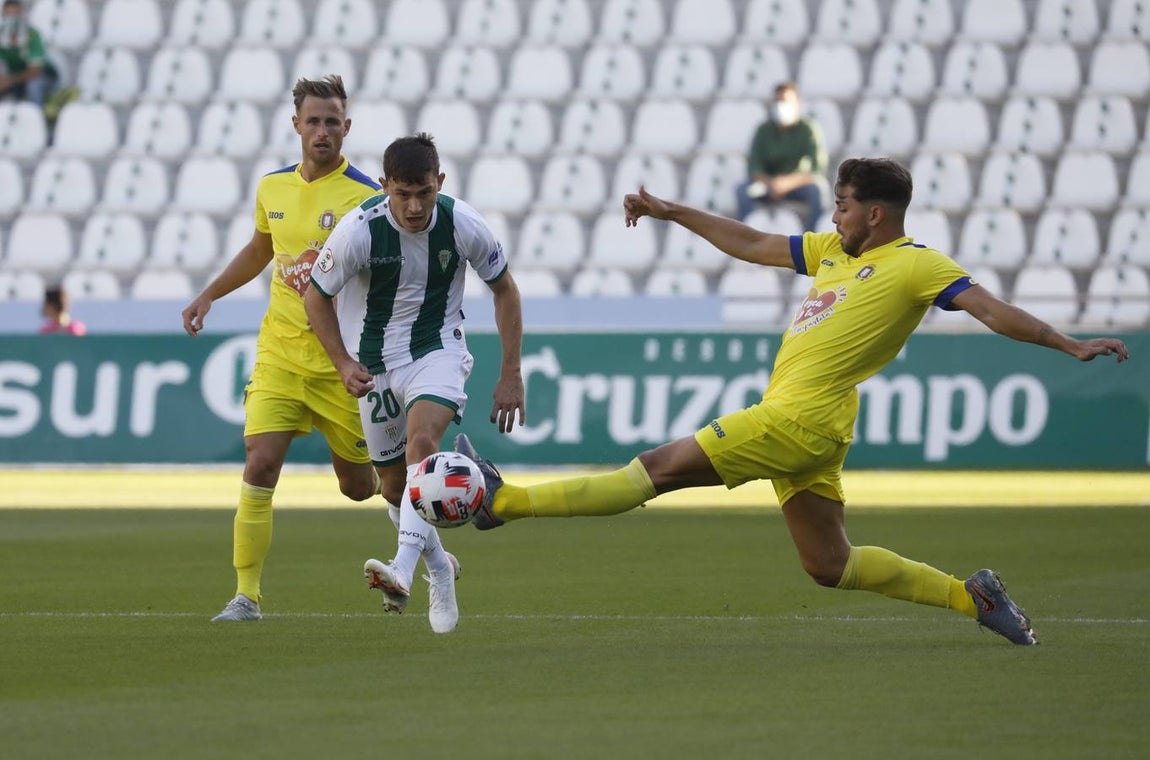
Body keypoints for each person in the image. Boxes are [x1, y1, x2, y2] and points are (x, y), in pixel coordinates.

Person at [453, 157, 1131, 647]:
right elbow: (751, 242)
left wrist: (1067, 345)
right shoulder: (836, 248)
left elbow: (990, 310)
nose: (832, 215)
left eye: (841, 203)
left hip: (796, 420)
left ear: (875, 212)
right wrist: (671, 211)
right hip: (812, 424)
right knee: (829, 565)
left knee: (655, 469)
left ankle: (501, 502)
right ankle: (972, 594)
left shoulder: (918, 264)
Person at [182, 76, 463, 632]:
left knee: (365, 487)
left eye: (333, 121)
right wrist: (209, 292)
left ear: (347, 128)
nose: (322, 131)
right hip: (281, 357)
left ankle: (432, 553)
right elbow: (262, 250)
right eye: (313, 121)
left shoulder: (368, 196)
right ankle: (246, 595)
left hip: (347, 366)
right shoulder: (272, 189)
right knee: (260, 465)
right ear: (296, 126)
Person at [305, 133, 525, 633]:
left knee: (422, 442)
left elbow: (505, 291)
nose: (413, 206)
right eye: (401, 193)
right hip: (374, 365)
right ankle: (439, 567)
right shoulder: (358, 230)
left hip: (437, 350)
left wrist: (511, 372)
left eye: (424, 192)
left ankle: (403, 572)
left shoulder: (461, 223)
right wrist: (342, 363)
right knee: (394, 488)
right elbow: (316, 297)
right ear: (384, 187)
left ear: (439, 183)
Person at [736, 82, 828, 232]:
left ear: (797, 104)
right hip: (766, 186)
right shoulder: (763, 130)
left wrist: (787, 183)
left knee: (817, 190)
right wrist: (771, 183)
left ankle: (813, 238)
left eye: (785, 101)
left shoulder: (808, 129)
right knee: (743, 190)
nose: (780, 105)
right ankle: (746, 236)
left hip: (797, 186)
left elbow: (817, 168)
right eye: (777, 101)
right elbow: (753, 166)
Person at [0, 0, 58, 106]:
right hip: (15, 77)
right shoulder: (2, 34)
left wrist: (10, 80)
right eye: (8, 14)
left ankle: (37, 115)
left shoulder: (32, 35)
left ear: (21, 14)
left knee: (33, 86)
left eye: (15, 14)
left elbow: (36, 70)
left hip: (43, 76)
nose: (12, 19)